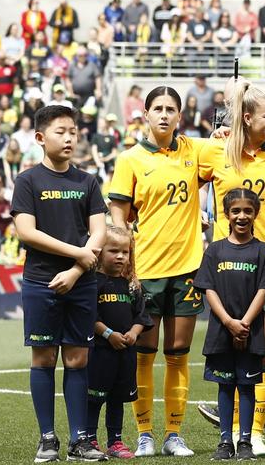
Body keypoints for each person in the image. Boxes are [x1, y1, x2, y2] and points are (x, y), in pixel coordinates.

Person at [197, 79, 265, 457]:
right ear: (247, 117)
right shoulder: (213, 150)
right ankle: (230, 433)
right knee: (230, 349)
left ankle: (253, 432)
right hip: (225, 268)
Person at [106, 86, 205, 458]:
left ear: (180, 116)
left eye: (171, 109)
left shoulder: (194, 151)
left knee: (178, 354)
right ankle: (145, 432)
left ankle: (174, 433)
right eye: (157, 108)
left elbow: (231, 149)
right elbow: (118, 215)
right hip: (146, 270)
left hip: (188, 269)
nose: (164, 114)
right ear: (145, 113)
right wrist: (123, 258)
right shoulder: (129, 159)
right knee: (143, 355)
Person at [14, 104, 109, 463]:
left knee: (77, 359)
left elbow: (99, 230)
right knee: (43, 358)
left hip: (81, 282)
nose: (69, 137)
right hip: (40, 281)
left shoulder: (87, 181)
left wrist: (75, 271)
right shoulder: (28, 180)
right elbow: (27, 232)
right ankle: (47, 438)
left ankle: (80, 440)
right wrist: (79, 254)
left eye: (73, 131)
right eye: (60, 131)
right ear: (40, 138)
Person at [194, 190, 265, 462]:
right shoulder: (215, 250)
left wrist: (245, 324)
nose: (242, 216)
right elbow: (208, 290)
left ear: (256, 214)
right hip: (221, 330)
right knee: (225, 386)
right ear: (226, 215)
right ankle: (225, 441)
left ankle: (245, 442)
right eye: (236, 211)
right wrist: (229, 322)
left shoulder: (264, 251)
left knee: (247, 387)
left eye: (248, 211)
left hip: (250, 331)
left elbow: (264, 290)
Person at [87, 226, 153, 461]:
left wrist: (134, 333)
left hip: (126, 354)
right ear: (99, 251)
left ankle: (115, 441)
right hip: (99, 353)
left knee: (117, 399)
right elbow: (88, 316)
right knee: (94, 397)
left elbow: (141, 317)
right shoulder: (92, 283)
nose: (120, 257)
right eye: (113, 251)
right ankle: (89, 439)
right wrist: (108, 334)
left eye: (125, 252)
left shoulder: (133, 286)